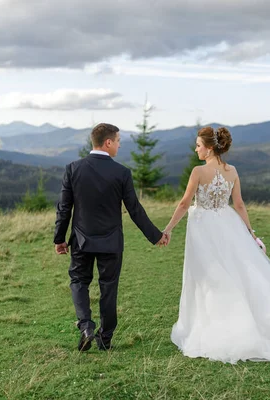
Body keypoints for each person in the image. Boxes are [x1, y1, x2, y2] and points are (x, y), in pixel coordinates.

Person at [163, 126, 270, 365]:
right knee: (237, 272)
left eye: (199, 145)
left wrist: (168, 229)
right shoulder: (232, 171)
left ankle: (218, 326)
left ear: (210, 148)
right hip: (227, 224)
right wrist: (250, 233)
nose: (196, 149)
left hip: (204, 228)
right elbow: (240, 204)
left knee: (207, 276)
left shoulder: (199, 171)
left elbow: (184, 203)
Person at [54, 123, 169, 352]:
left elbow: (64, 208)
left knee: (78, 281)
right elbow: (134, 209)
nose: (118, 146)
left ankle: (85, 325)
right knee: (109, 288)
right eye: (117, 141)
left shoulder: (73, 169)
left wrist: (60, 238)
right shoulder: (122, 172)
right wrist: (155, 236)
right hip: (111, 242)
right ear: (108, 142)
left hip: (81, 241)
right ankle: (104, 339)